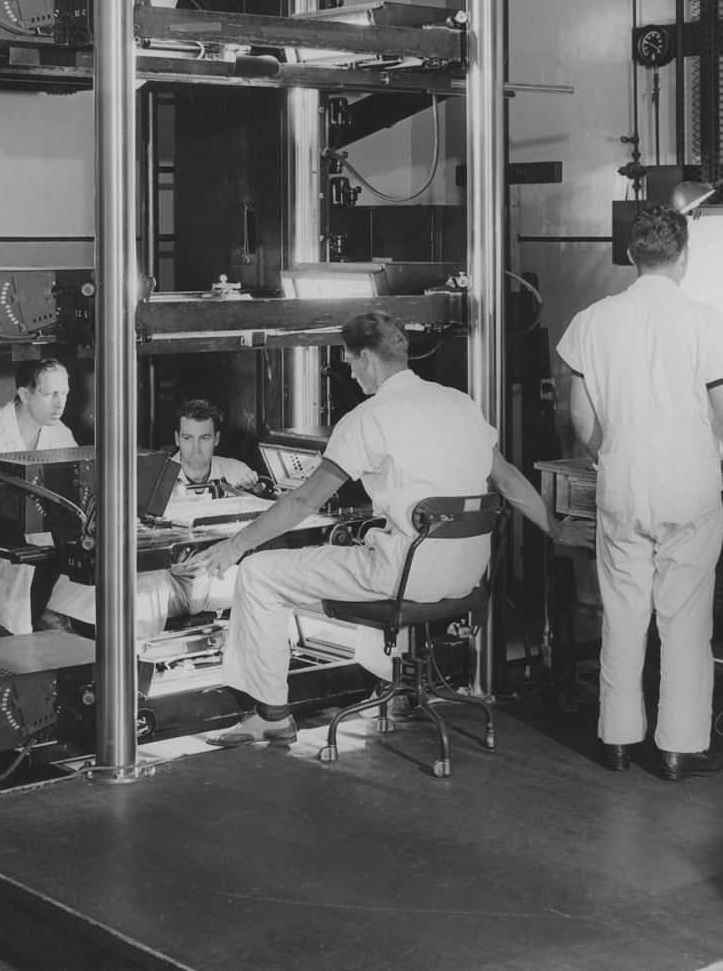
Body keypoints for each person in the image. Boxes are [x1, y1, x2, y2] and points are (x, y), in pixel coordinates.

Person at [177, 309, 556, 748]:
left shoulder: (367, 418)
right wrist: (558, 530)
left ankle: (271, 715)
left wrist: (234, 548)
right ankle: (385, 684)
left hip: (405, 578)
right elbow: (508, 481)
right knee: (365, 552)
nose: (352, 374)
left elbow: (303, 500)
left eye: (351, 363)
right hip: (468, 576)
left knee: (260, 573)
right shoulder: (460, 402)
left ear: (368, 360)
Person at [557, 204, 723, 782]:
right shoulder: (708, 322)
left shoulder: (591, 321)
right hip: (688, 486)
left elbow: (579, 417)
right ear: (683, 256)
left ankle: (616, 741)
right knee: (684, 619)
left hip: (621, 483)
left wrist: (613, 455)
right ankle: (681, 749)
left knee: (623, 614)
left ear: (633, 256)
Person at [42, 398, 261, 637]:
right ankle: (140, 663)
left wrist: (255, 496)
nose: (196, 447)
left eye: (204, 438)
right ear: (177, 439)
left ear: (216, 439)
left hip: (215, 575)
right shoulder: (154, 476)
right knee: (146, 581)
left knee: (266, 577)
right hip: (172, 578)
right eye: (188, 438)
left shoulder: (236, 471)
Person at [0, 358, 75, 637]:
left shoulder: (60, 434)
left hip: (36, 529)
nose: (60, 403)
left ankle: (55, 613)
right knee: (18, 556)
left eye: (64, 393)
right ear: (25, 394)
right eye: (50, 394)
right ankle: (15, 637)